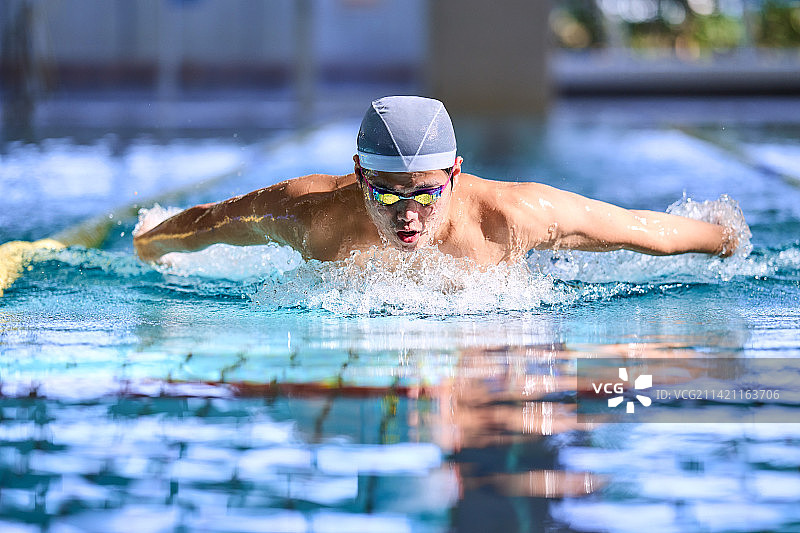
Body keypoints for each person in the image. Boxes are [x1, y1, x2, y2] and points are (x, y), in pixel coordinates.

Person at [133, 96, 738, 265]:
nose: (408, 214)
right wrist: (150, 241)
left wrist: (723, 237)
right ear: (359, 176)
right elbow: (214, 220)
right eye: (388, 193)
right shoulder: (310, 213)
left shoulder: (513, 217)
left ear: (455, 173)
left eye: (425, 192)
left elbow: (645, 232)